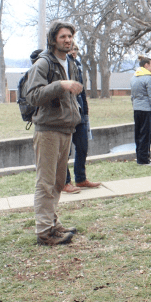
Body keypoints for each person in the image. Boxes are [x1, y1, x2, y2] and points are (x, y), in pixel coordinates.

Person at [25, 20, 85, 246]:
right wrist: (61, 85)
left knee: (59, 181)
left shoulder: (71, 62)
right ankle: (43, 232)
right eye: (63, 36)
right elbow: (33, 96)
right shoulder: (43, 64)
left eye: (70, 36)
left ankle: (52, 222)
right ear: (53, 40)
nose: (68, 40)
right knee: (46, 182)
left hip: (66, 129)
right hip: (48, 130)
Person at [63, 44, 101, 193]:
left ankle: (81, 179)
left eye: (75, 50)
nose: (73, 52)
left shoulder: (77, 66)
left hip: (79, 113)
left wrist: (85, 111)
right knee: (65, 151)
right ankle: (65, 182)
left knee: (83, 146)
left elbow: (81, 91)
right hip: (66, 114)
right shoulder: (62, 66)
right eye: (70, 50)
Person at [130, 55, 151, 166]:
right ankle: (144, 160)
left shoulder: (134, 77)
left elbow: (132, 96)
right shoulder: (148, 78)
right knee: (145, 134)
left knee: (138, 134)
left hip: (136, 109)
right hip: (146, 109)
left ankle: (140, 157)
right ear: (146, 65)